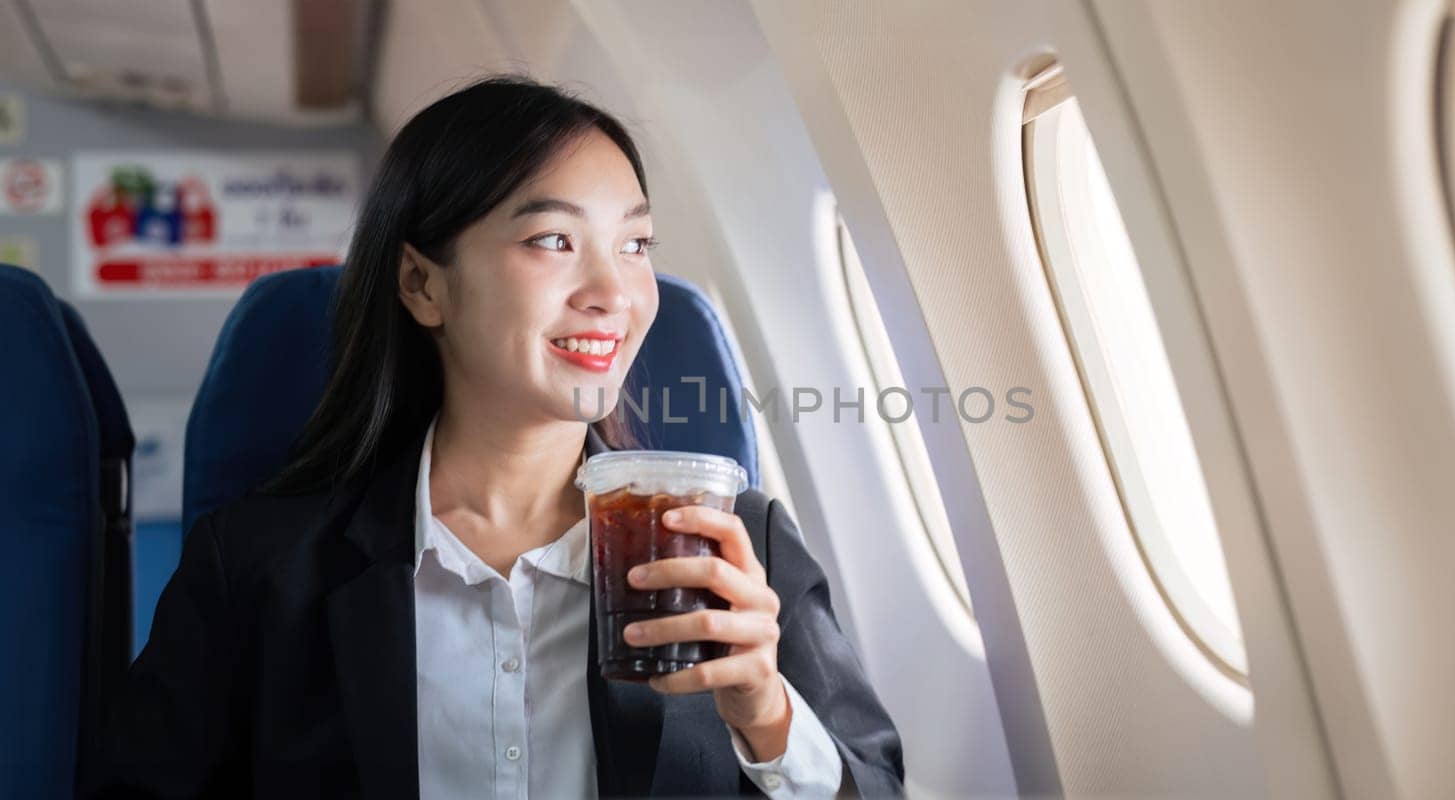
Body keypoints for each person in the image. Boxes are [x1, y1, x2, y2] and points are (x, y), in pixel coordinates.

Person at [82, 75, 904, 799]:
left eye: (636, 244)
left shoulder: (732, 547)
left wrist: (767, 715)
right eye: (553, 240)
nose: (613, 292)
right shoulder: (263, 567)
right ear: (422, 285)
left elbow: (874, 789)